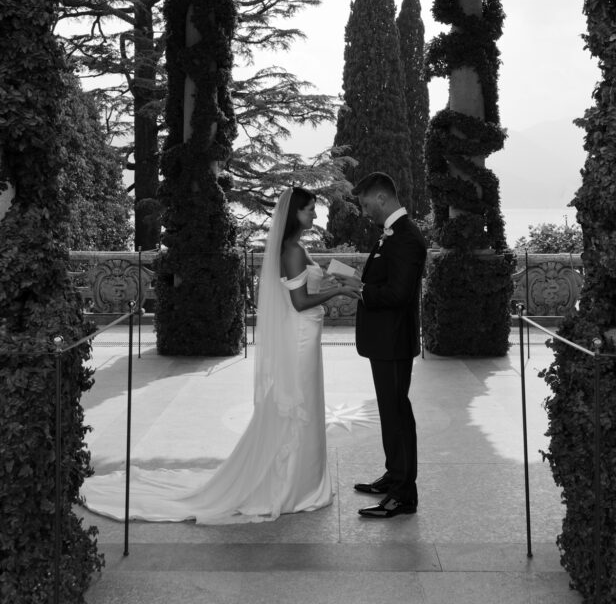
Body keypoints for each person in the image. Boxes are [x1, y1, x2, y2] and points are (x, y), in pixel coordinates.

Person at [82, 186, 362, 524]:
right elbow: (299, 302)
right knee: (297, 404)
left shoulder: (297, 249)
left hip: (306, 337)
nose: (314, 215)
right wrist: (341, 289)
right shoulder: (292, 250)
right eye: (309, 210)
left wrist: (330, 277)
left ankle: (302, 480)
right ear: (294, 214)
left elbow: (305, 285)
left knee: (302, 403)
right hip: (300, 340)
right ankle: (292, 485)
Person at [348, 171, 427, 519]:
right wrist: (357, 283)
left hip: (394, 341)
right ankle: (394, 476)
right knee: (390, 413)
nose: (365, 211)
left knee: (396, 415)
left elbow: (400, 294)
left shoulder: (407, 237)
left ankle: (403, 495)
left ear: (381, 198)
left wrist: (361, 290)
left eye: (366, 204)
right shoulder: (391, 236)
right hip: (384, 342)